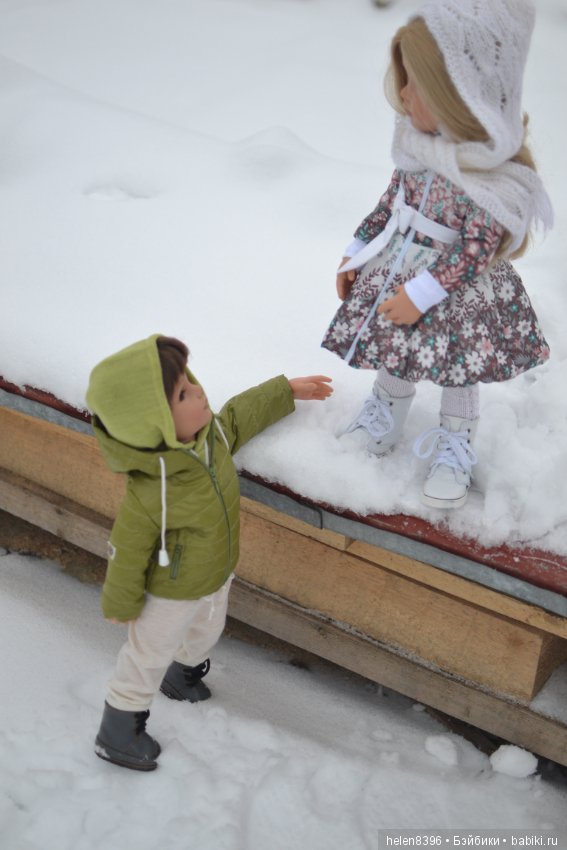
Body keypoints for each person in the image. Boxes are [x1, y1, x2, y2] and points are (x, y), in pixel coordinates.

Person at [322, 0, 552, 510]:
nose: (402, 94)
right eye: (403, 80)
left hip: (459, 291)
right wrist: (357, 253)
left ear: (459, 97)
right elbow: (389, 205)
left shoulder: (491, 179)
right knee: (399, 346)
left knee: (459, 368)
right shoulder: (415, 150)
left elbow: (475, 250)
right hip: (403, 268)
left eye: (415, 85)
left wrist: (424, 292)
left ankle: (455, 443)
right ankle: (386, 412)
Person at [86, 334, 332, 771]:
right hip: (169, 592)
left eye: (190, 380)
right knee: (146, 655)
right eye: (182, 393)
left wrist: (285, 390)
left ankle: (181, 677)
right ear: (155, 422)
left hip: (216, 572)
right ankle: (118, 728)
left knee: (206, 631)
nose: (198, 391)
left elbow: (239, 417)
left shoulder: (210, 436)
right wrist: (121, 600)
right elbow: (126, 547)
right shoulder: (153, 487)